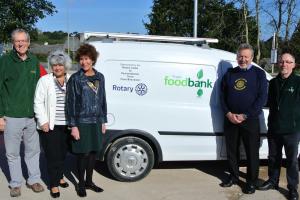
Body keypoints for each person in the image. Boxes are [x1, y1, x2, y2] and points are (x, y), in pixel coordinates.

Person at [0, 28, 44, 197]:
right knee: (12, 153)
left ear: (29, 42)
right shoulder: (5, 61)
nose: (20, 44)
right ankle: (16, 183)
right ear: (13, 43)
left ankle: (33, 180)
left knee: (33, 151)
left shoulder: (33, 61)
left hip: (32, 116)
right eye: (17, 41)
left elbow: (41, 87)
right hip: (12, 116)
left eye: (23, 41)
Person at [219, 43, 268, 194]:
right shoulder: (229, 73)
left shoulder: (259, 74)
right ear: (236, 57)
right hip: (231, 119)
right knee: (231, 151)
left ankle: (251, 182)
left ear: (252, 58)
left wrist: (245, 115)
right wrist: (228, 114)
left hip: (250, 120)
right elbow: (221, 97)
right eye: (240, 56)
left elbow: (261, 99)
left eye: (246, 56)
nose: (243, 59)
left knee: (251, 152)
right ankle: (233, 176)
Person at [66, 43, 107, 197]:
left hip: (96, 121)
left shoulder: (100, 77)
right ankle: (81, 185)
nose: (84, 62)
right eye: (82, 59)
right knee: (82, 154)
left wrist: (103, 120)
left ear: (93, 60)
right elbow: (70, 104)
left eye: (87, 58)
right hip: (81, 122)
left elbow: (103, 100)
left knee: (92, 154)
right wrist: (73, 125)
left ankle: (90, 182)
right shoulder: (75, 79)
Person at [258, 53, 300, 200]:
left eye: (288, 62)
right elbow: (268, 102)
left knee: (292, 160)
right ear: (278, 64)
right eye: (282, 61)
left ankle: (292, 188)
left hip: (292, 129)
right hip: (275, 128)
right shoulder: (274, 82)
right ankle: (273, 181)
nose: (284, 64)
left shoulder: (298, 82)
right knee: (273, 157)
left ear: (294, 65)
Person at [34, 50, 72, 198]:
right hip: (51, 125)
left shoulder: (71, 80)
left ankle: (60, 176)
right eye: (54, 65)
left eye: (60, 65)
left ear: (65, 66)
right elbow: (38, 102)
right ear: (51, 66)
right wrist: (43, 121)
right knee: (52, 155)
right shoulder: (45, 81)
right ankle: (54, 184)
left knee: (63, 154)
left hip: (67, 125)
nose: (57, 68)